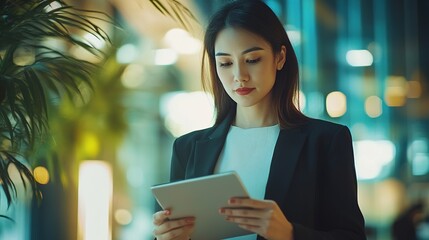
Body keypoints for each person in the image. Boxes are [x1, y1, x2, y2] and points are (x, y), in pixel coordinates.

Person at [152, 0, 366, 239]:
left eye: (252, 59)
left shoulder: (326, 141)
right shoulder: (187, 148)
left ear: (280, 57)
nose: (239, 76)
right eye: (225, 63)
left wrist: (291, 234)